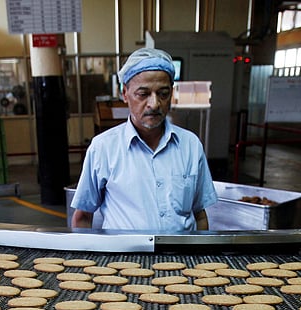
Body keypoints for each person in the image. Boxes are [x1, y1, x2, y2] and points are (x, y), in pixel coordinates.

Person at [70, 48, 217, 232]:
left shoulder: (190, 146)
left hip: (180, 257)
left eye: (163, 94)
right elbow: (83, 216)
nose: (154, 104)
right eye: (143, 94)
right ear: (125, 93)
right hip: (123, 257)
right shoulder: (104, 148)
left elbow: (199, 214)